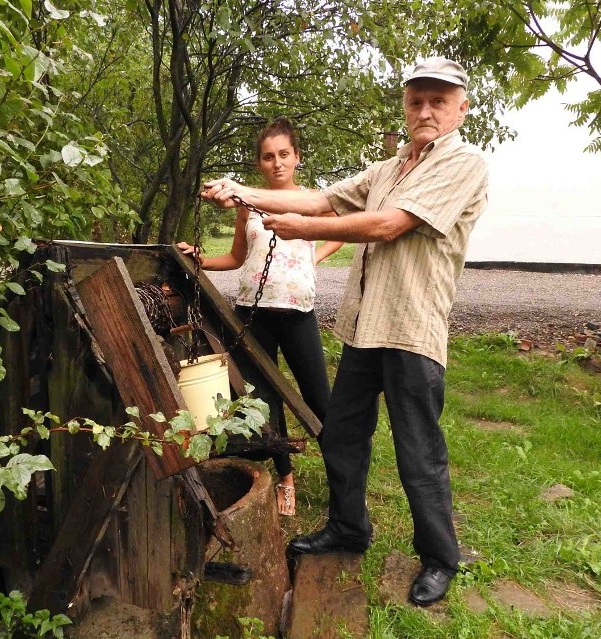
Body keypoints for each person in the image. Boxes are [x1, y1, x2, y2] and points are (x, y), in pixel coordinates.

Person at [200, 58, 488, 607]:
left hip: (411, 328)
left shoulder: (465, 162)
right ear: (405, 107)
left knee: (417, 450)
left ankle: (438, 557)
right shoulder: (387, 169)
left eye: (438, 101)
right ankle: (348, 528)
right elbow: (320, 198)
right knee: (341, 434)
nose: (425, 111)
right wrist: (244, 193)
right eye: (416, 100)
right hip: (365, 327)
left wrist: (304, 231)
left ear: (460, 109)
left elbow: (388, 225)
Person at [178, 117, 344, 516]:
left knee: (319, 399)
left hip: (297, 313)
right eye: (268, 157)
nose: (277, 163)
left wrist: (313, 257)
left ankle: (343, 478)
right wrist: (201, 260)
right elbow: (237, 258)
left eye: (284, 154)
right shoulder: (248, 207)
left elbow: (342, 230)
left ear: (297, 157)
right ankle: (285, 479)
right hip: (252, 314)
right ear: (260, 165)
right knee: (264, 401)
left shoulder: (311, 201)